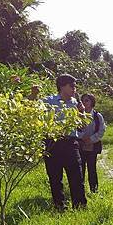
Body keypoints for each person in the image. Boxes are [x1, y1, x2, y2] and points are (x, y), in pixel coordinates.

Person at [42, 74, 87, 210]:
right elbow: (30, 107)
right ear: (62, 86)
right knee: (55, 177)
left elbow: (82, 126)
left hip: (71, 143)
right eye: (71, 86)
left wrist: (82, 113)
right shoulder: (48, 101)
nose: (75, 89)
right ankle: (59, 206)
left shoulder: (75, 103)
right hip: (52, 143)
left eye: (75, 86)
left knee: (77, 176)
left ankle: (79, 205)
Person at [78, 93, 106, 194]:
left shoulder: (97, 116)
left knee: (92, 168)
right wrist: (82, 137)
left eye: (87, 100)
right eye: (83, 100)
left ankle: (94, 190)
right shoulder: (78, 115)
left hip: (93, 146)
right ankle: (80, 191)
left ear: (92, 102)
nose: (84, 103)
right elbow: (74, 128)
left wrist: (91, 139)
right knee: (80, 169)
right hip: (80, 145)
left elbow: (102, 130)